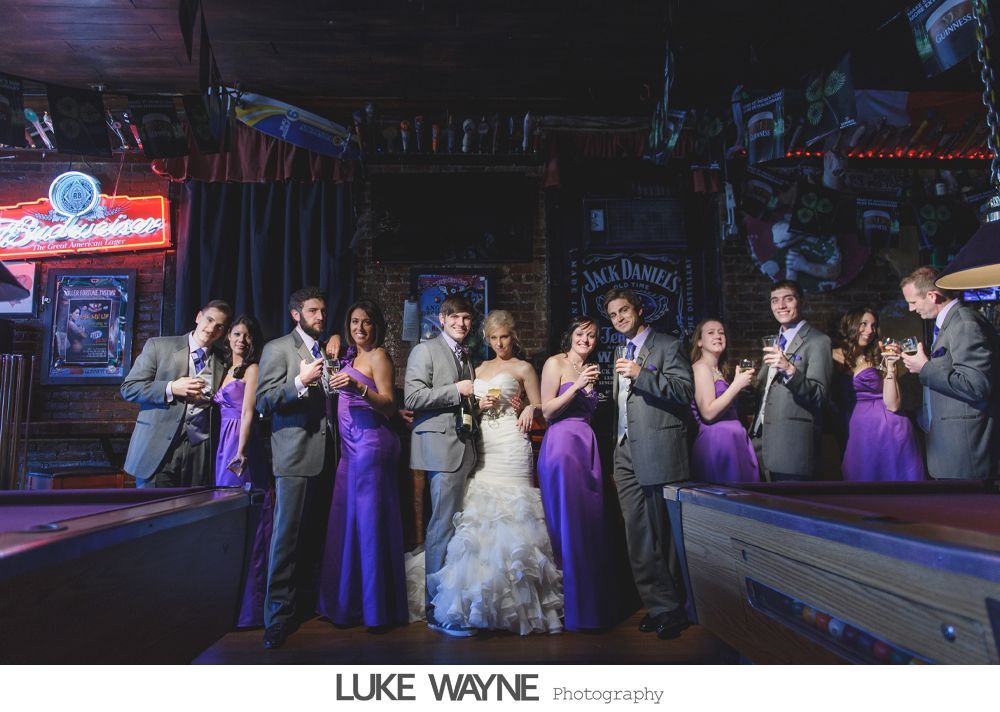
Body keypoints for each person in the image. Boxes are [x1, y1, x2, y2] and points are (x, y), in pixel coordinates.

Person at [424, 309, 562, 635]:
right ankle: (477, 602)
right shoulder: (479, 368)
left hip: (513, 444)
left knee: (515, 516)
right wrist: (476, 406)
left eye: (505, 337)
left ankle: (520, 605)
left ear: (514, 337)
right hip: (483, 444)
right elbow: (465, 405)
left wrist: (529, 407)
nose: (501, 343)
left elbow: (544, 405)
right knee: (480, 520)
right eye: (494, 338)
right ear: (487, 339)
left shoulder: (524, 368)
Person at [606, 288, 693, 641]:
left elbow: (685, 392)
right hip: (625, 450)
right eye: (613, 315)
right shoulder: (617, 351)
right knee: (638, 534)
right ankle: (658, 606)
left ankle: (677, 609)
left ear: (639, 310)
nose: (619, 318)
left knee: (665, 533)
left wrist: (642, 373)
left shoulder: (667, 345)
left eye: (624, 310)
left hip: (660, 447)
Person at [317, 299, 409, 630]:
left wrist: (358, 386)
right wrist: (334, 342)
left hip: (372, 445)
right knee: (348, 521)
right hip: (349, 449)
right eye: (354, 322)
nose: (360, 328)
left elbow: (387, 405)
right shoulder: (348, 357)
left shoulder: (379, 356)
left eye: (366, 322)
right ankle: (347, 602)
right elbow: (328, 355)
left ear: (376, 326)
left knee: (369, 523)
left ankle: (376, 610)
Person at [256, 287, 336, 649]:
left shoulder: (326, 350)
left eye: (322, 310)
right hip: (292, 455)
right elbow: (264, 401)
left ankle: (306, 602)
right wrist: (300, 383)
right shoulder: (278, 348)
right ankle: (276, 617)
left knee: (313, 535)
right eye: (313, 311)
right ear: (296, 314)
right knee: (285, 539)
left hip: (329, 456)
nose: (320, 316)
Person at [403, 294, 479, 637]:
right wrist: (456, 390)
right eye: (456, 318)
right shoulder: (426, 350)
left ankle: (453, 598)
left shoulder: (465, 355)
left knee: (455, 526)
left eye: (467, 319)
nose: (462, 324)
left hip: (464, 448)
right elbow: (413, 397)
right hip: (440, 449)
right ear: (443, 319)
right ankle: (436, 609)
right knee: (440, 527)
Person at [537, 316, 617, 631]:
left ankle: (594, 607)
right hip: (561, 446)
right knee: (567, 526)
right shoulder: (554, 364)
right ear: (570, 335)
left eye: (593, 335)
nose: (586, 339)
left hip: (587, 446)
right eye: (581, 333)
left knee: (590, 525)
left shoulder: (592, 369)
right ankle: (571, 610)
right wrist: (579, 386)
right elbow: (548, 411)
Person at [121, 299, 232, 488]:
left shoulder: (224, 361)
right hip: (158, 449)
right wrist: (171, 388)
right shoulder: (159, 346)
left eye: (219, 326)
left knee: (193, 512)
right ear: (198, 317)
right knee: (154, 513)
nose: (212, 328)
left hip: (200, 452)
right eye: (209, 320)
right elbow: (129, 388)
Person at [900, 266, 998, 479]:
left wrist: (925, 369)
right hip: (948, 448)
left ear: (932, 296)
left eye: (913, 302)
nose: (910, 309)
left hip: (966, 452)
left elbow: (977, 385)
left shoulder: (964, 324)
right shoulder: (948, 324)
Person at [213, 314, 274, 627]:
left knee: (248, 523)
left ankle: (249, 610)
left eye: (247, 336)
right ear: (228, 338)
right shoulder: (224, 370)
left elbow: (249, 412)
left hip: (239, 448)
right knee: (228, 525)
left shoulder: (252, 368)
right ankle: (228, 604)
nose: (241, 339)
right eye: (237, 334)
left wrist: (240, 451)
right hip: (222, 445)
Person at [750, 279, 832, 481]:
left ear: (800, 302)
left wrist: (789, 369)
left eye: (788, 299)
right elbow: (767, 392)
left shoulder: (818, 341)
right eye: (775, 301)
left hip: (792, 447)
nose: (781, 306)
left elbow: (820, 396)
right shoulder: (774, 342)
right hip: (761, 444)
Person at [832, 308, 925, 482]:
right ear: (850, 325)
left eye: (873, 326)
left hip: (886, 427)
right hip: (854, 426)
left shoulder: (877, 356)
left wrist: (890, 367)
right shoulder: (831, 355)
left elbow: (893, 405)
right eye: (864, 324)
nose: (870, 330)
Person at [689, 319, 760, 483]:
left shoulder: (719, 371)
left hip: (735, 443)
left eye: (721, 332)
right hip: (718, 445)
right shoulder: (701, 368)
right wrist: (736, 385)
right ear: (699, 341)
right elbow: (708, 413)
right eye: (711, 332)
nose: (718, 336)